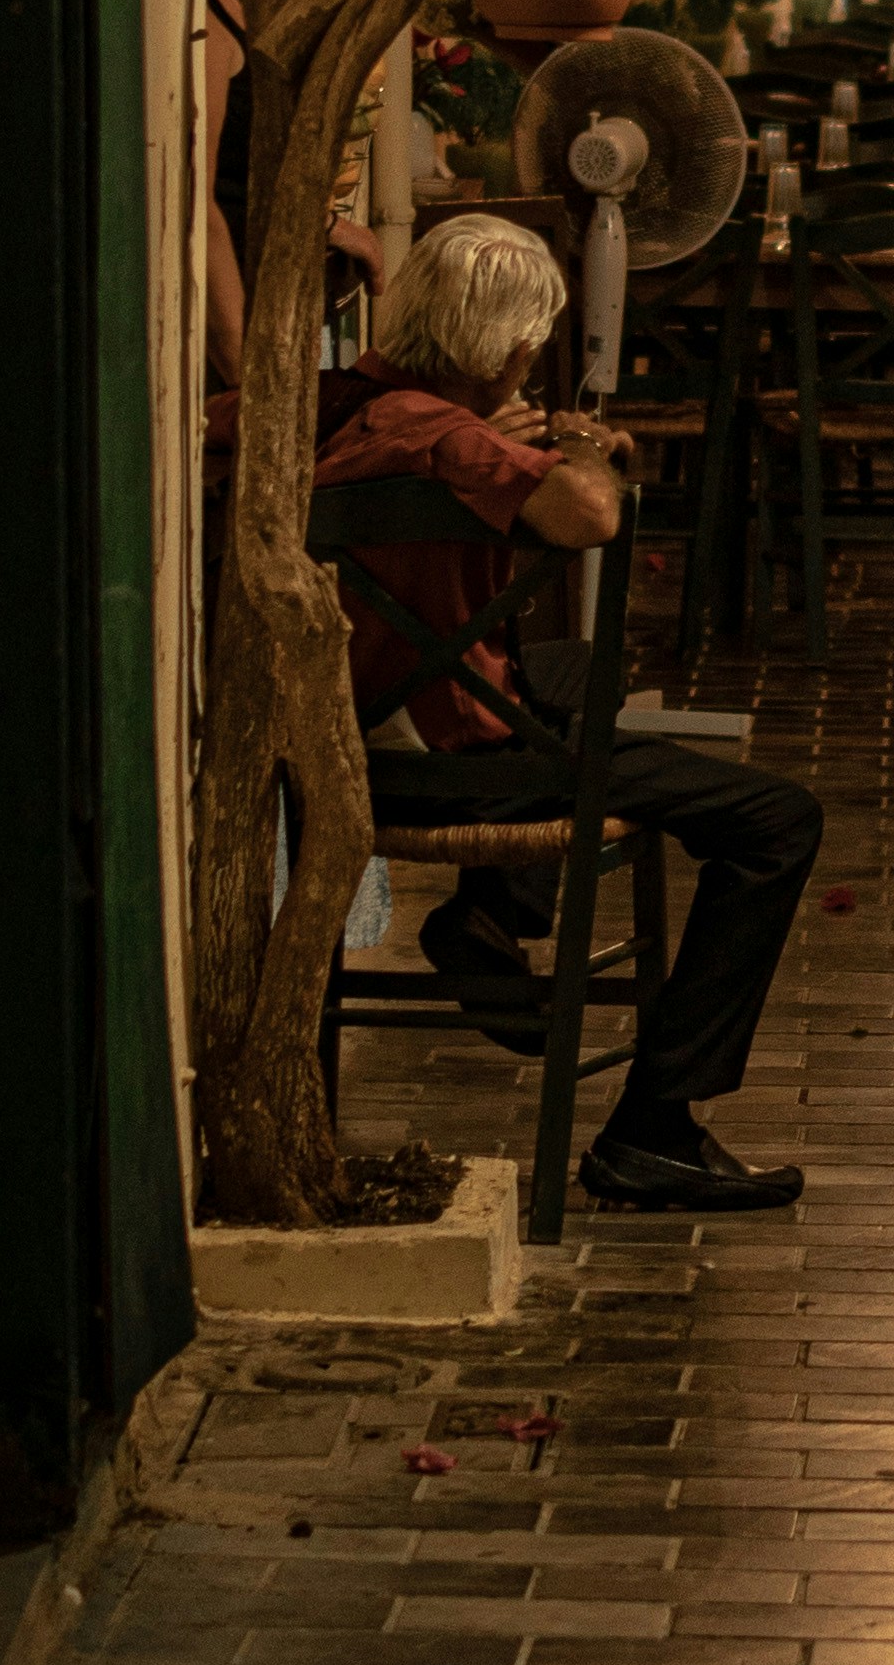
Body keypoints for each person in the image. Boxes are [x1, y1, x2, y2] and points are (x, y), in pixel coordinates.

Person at [315, 213, 819, 1214]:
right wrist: (581, 454)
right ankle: (653, 1128)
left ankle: (494, 918)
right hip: (447, 750)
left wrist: (486, 452)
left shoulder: (346, 402)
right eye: (529, 343)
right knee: (777, 822)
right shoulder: (443, 433)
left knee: (573, 669)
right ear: (506, 347)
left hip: (352, 718)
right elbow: (590, 517)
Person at [208, 0, 383, 387]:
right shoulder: (203, 18)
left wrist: (331, 226)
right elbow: (203, 209)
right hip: (234, 339)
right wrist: (245, 380)